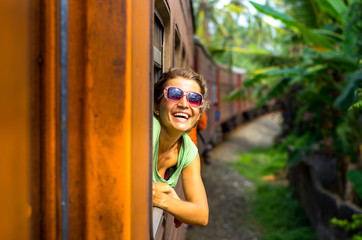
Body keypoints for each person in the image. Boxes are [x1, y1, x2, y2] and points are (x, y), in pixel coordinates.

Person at [152, 68, 209, 228]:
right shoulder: (149, 131)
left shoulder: (188, 151)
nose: (184, 104)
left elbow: (202, 215)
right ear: (157, 106)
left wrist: (163, 197)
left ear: (199, 113)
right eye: (174, 94)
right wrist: (170, 199)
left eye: (194, 99)